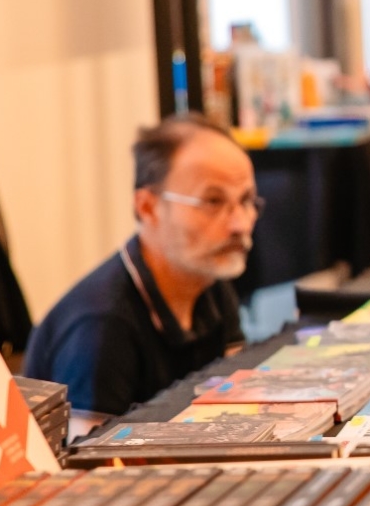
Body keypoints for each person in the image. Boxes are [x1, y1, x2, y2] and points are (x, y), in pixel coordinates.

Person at [24, 114, 252, 431]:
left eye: (246, 200)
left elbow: (234, 410)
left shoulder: (209, 280)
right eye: (213, 202)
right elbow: (91, 468)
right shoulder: (102, 327)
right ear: (147, 207)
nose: (240, 224)